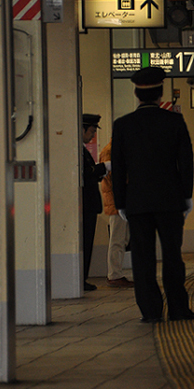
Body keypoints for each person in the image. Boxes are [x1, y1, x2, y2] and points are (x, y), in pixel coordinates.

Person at [111, 67, 194, 323]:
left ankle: (150, 311)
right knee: (173, 256)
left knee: (142, 259)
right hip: (170, 201)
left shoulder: (123, 125)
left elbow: (118, 167)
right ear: (160, 93)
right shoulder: (174, 121)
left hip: (136, 203)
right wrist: (186, 195)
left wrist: (121, 202)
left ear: (137, 94)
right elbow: (186, 160)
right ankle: (178, 309)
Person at [99, 140, 134, 288]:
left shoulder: (116, 149)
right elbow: (114, 177)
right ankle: (114, 275)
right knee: (117, 240)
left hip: (120, 201)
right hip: (116, 203)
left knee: (122, 239)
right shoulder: (110, 151)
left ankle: (116, 273)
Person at [82, 113, 110, 292]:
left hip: (89, 205)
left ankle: (82, 277)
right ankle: (80, 278)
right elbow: (86, 172)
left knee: (88, 243)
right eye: (91, 131)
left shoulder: (83, 150)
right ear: (82, 129)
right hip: (85, 205)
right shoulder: (77, 150)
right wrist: (103, 168)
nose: (93, 135)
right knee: (84, 242)